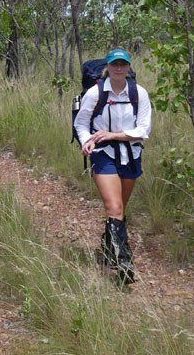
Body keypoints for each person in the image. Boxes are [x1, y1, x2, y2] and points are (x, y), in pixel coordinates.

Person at [73, 48, 152, 284]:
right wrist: (88, 141)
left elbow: (144, 130)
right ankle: (123, 261)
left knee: (120, 209)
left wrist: (113, 135)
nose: (119, 68)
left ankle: (108, 247)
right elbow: (82, 123)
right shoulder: (95, 93)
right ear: (107, 67)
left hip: (131, 154)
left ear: (129, 67)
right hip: (104, 154)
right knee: (115, 207)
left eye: (123, 64)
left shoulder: (139, 94)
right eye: (114, 64)